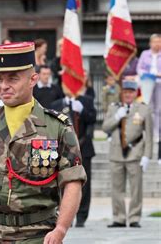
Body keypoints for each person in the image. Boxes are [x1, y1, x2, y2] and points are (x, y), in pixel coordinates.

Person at [0, 41, 86, 243]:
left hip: (38, 234)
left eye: (13, 79)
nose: (4, 86)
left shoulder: (57, 127)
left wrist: (60, 229)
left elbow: (73, 183)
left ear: (33, 79)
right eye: (0, 79)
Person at [102, 79, 153, 228]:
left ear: (135, 93)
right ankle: (119, 217)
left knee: (136, 188)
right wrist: (117, 116)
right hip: (116, 153)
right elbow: (105, 128)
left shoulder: (143, 109)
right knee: (117, 188)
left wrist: (147, 156)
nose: (128, 95)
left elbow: (148, 135)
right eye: (125, 92)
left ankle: (134, 217)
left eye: (131, 92)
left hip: (135, 153)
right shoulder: (114, 108)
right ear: (122, 93)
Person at [50, 89, 96, 228]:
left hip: (83, 147)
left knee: (83, 183)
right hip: (62, 150)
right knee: (62, 183)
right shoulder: (56, 104)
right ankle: (64, 216)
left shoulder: (85, 101)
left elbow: (93, 119)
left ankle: (81, 216)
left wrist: (82, 110)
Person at [137, 33, 161, 164]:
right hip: (147, 82)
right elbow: (139, 68)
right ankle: (148, 131)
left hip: (159, 83)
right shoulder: (145, 54)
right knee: (147, 108)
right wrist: (145, 74)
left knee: (158, 109)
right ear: (150, 43)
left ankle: (157, 132)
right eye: (155, 42)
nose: (157, 44)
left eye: (159, 42)